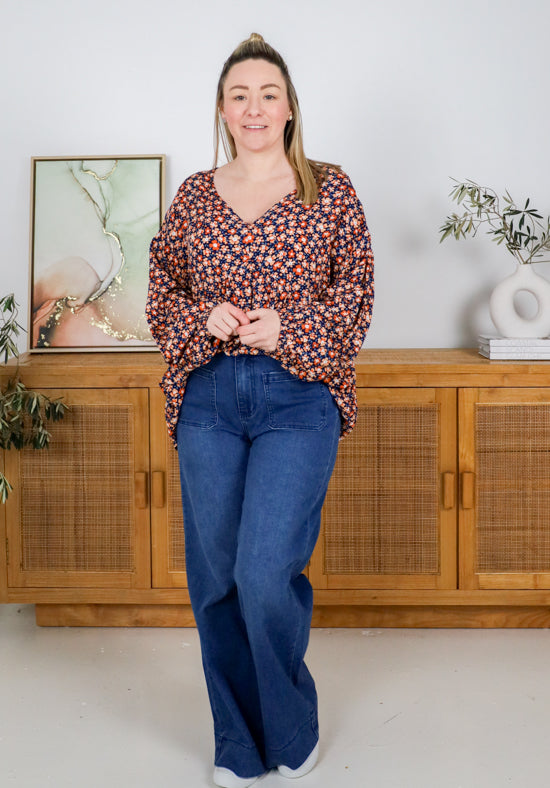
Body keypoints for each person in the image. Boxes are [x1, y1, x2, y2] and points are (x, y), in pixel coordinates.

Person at [146, 32, 374, 788]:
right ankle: (238, 745)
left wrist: (292, 326)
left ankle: (291, 725)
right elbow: (161, 296)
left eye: (267, 93)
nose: (253, 107)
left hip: (297, 399)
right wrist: (198, 319)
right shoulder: (193, 198)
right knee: (215, 579)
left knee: (265, 568)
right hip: (209, 399)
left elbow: (356, 297)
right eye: (239, 94)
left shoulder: (329, 190)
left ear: (288, 107)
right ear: (221, 107)